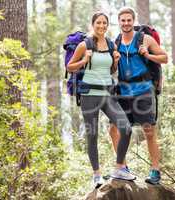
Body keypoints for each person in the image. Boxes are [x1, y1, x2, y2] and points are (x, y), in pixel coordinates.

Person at [67, 12, 136, 189]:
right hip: (89, 94)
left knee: (126, 128)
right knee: (92, 135)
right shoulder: (85, 44)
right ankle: (96, 175)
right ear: (93, 24)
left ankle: (119, 167)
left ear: (107, 25)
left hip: (107, 94)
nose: (102, 26)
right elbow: (70, 67)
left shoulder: (111, 44)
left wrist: (115, 61)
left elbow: (111, 70)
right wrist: (84, 59)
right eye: (98, 23)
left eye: (104, 23)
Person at [109, 7, 168, 185]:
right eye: (123, 20)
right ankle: (122, 167)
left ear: (133, 21)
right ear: (118, 22)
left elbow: (164, 58)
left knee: (149, 130)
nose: (126, 23)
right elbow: (112, 70)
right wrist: (115, 62)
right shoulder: (115, 43)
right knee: (113, 129)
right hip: (123, 91)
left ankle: (155, 170)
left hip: (143, 89)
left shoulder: (145, 39)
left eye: (129, 20)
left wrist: (148, 54)